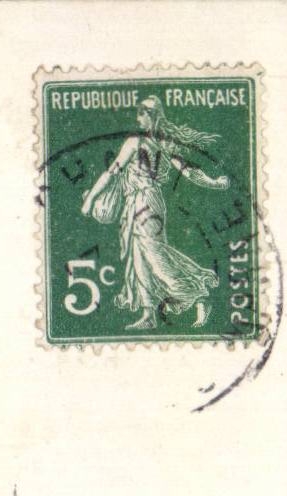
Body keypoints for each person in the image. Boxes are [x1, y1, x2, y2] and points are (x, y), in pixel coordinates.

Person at [81, 96, 230, 330]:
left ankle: (196, 293)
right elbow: (189, 171)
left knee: (153, 254)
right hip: (146, 201)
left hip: (144, 202)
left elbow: (112, 172)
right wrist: (214, 182)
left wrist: (90, 199)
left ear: (151, 116)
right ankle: (149, 314)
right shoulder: (164, 142)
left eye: (141, 113)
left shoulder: (136, 141)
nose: (137, 117)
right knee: (140, 257)